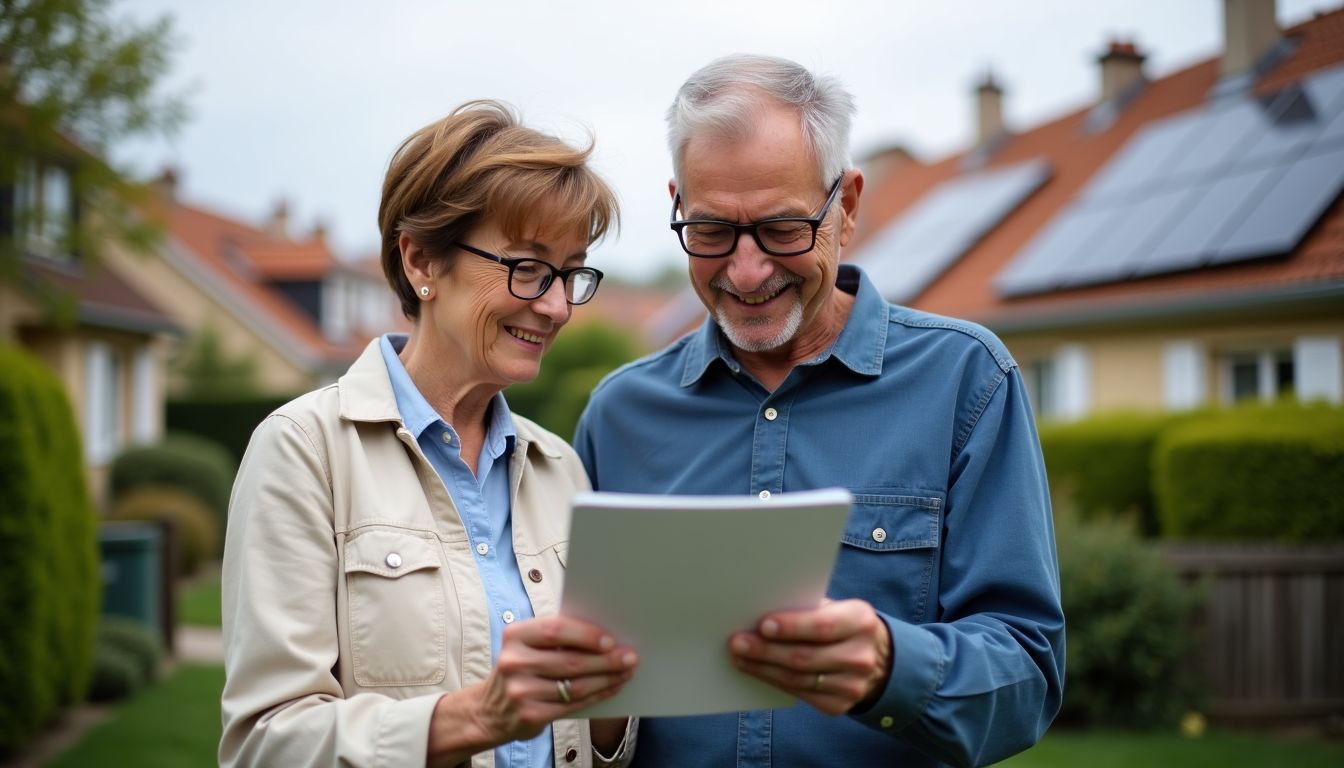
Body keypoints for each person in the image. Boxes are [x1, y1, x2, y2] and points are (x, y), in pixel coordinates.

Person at [574, 55, 1065, 767]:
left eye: (781, 229)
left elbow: (1027, 678)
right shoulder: (618, 414)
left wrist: (892, 667)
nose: (746, 271)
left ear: (850, 206)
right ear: (678, 202)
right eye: (711, 230)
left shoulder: (966, 381)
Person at [220, 100, 639, 768]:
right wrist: (473, 718)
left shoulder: (560, 466)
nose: (558, 305)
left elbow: (586, 740)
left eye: (570, 272)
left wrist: (613, 706)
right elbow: (264, 744)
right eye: (527, 267)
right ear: (421, 262)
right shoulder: (303, 452)